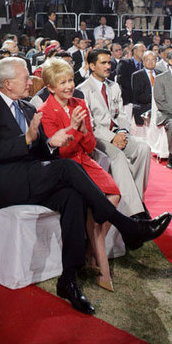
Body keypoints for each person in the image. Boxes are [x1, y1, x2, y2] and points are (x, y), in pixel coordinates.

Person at [0, 58, 171, 314]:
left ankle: (69, 279)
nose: (32, 82)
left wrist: (52, 142)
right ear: (8, 84)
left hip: (29, 176)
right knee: (67, 168)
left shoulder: (29, 109)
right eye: (26, 78)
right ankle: (128, 224)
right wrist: (27, 138)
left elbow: (42, 151)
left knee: (72, 195)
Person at [40, 58, 120, 291]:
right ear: (51, 87)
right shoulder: (46, 112)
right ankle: (101, 266)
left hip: (85, 161)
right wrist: (75, 129)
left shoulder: (79, 103)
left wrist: (82, 130)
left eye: (71, 80)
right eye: (62, 82)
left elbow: (90, 144)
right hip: (66, 168)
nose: (68, 86)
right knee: (95, 203)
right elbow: (61, 151)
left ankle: (91, 250)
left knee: (114, 196)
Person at [79, 49, 151, 217]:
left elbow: (122, 114)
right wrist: (112, 138)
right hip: (98, 137)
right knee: (117, 156)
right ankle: (135, 214)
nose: (108, 66)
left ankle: (137, 201)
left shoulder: (114, 86)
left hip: (118, 132)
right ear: (91, 65)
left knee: (144, 149)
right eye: (103, 63)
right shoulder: (82, 90)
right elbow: (90, 125)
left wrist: (123, 131)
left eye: (109, 62)